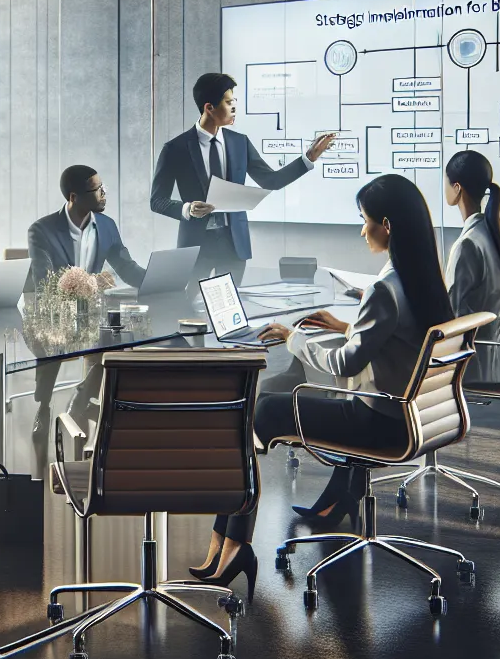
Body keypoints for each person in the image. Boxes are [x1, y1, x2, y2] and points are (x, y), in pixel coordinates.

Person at [194, 174, 455, 594]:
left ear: (386, 224)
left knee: (258, 410)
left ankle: (232, 542)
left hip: (377, 420)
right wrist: (349, 325)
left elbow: (345, 360)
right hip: (413, 416)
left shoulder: (385, 289)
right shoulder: (424, 280)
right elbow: (396, 336)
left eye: (364, 220)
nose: (361, 229)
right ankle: (233, 541)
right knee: (266, 407)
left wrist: (292, 338)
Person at [150, 72, 337, 282]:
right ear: (209, 108)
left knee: (229, 310)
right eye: (229, 102)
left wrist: (308, 157)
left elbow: (270, 180)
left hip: (233, 245)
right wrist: (187, 208)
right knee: (187, 309)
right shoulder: (175, 148)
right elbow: (157, 201)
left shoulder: (240, 142)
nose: (234, 107)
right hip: (194, 247)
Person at [24, 164, 147, 431]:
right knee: (54, 337)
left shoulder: (106, 225)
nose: (104, 194)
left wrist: (156, 282)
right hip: (54, 313)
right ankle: (43, 406)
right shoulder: (41, 230)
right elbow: (45, 280)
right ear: (74, 197)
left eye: (103, 188)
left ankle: (82, 397)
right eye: (98, 190)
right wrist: (91, 281)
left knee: (123, 336)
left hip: (92, 313)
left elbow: (126, 267)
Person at [443, 150, 500, 381]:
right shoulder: (493, 234)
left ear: (457, 188)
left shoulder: (467, 245)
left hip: (477, 364)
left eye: (446, 183)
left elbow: (451, 316)